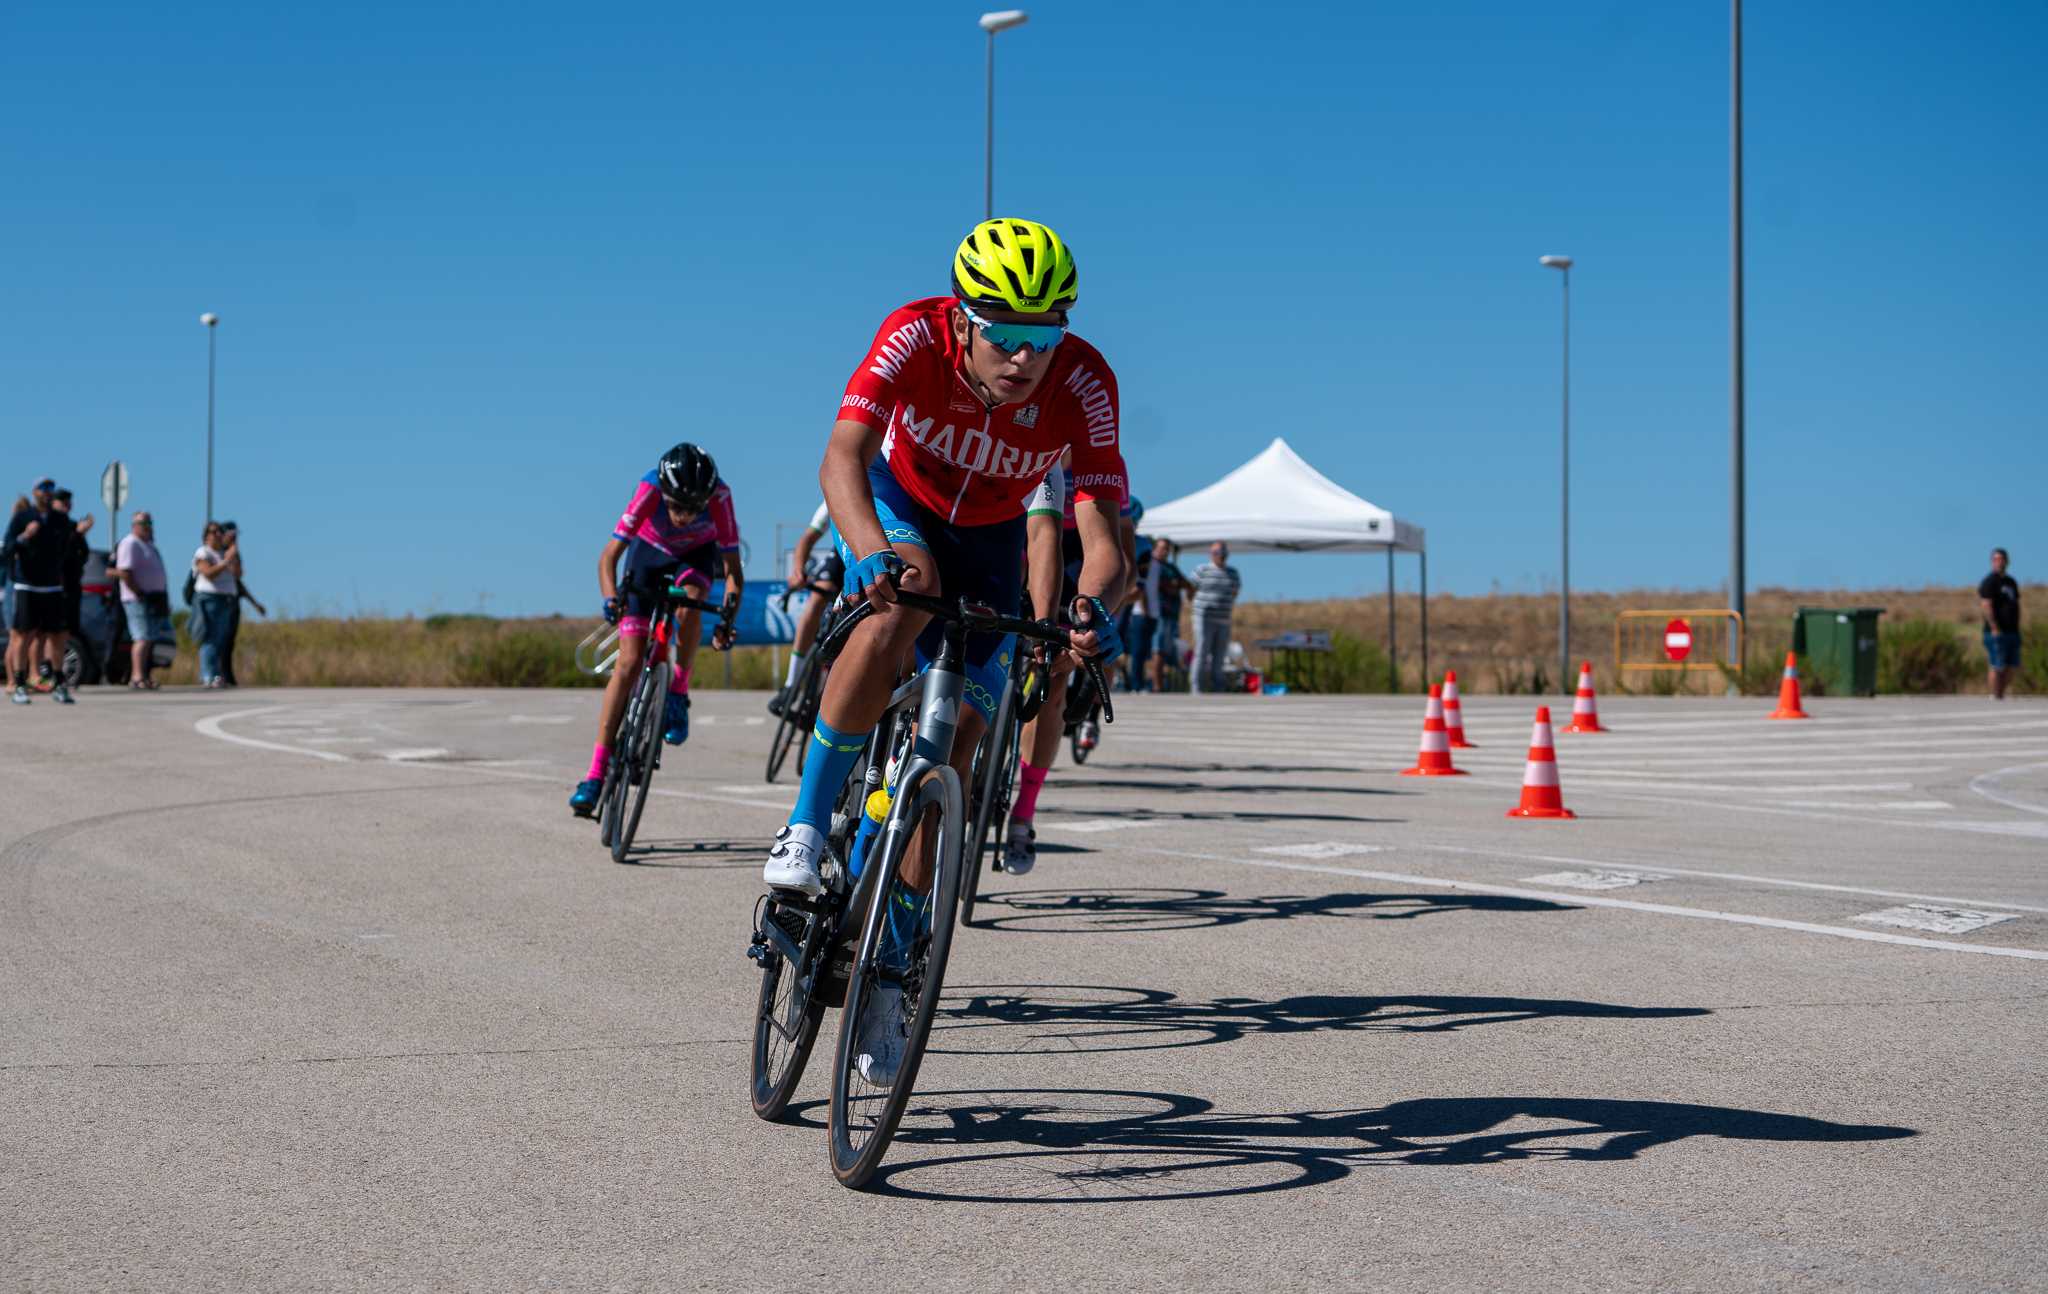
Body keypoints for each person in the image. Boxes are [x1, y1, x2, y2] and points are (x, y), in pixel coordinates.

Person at [761, 217, 1129, 1086]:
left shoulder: (1085, 384)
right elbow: (843, 456)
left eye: (1045, 337)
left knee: (957, 743)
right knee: (901, 604)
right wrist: (863, 550)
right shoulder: (911, 334)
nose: (1024, 357)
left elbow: (1103, 537)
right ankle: (807, 826)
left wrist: (1092, 605)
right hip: (903, 507)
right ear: (963, 319)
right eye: (1004, 334)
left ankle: (890, 976)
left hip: (993, 540)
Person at [568, 443, 742, 816]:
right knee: (629, 663)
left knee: (691, 603)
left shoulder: (721, 497)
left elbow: (732, 572)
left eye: (694, 508)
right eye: (676, 505)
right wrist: (611, 597)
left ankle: (678, 691)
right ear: (664, 492)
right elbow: (609, 556)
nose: (683, 516)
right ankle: (595, 773)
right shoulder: (649, 488)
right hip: (647, 554)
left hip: (695, 557)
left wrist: (727, 619)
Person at [769, 499, 845, 716]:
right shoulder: (839, 490)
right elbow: (808, 538)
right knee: (817, 597)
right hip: (843, 551)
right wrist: (798, 570)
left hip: (873, 550)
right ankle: (791, 683)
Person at [7, 479, 75, 704]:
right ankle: (19, 684)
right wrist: (24, 536)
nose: (47, 493)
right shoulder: (23, 517)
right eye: (43, 489)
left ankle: (58, 682)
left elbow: (66, 548)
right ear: (35, 492)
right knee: (22, 633)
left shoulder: (60, 520)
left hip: (52, 585)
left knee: (56, 635)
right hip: (27, 584)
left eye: (50, 490)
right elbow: (7, 547)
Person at [114, 510, 170, 689]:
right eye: (143, 523)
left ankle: (145, 675)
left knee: (150, 638)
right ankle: (136, 676)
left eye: (149, 523)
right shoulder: (130, 543)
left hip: (154, 598)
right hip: (137, 598)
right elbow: (125, 572)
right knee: (141, 637)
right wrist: (138, 592)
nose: (147, 527)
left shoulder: (149, 545)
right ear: (134, 526)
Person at [47, 489, 95, 690]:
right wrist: (77, 534)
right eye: (62, 501)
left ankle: (59, 673)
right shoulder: (50, 524)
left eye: (69, 501)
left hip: (73, 584)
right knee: (53, 631)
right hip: (55, 586)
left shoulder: (71, 524)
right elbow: (57, 550)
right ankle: (48, 671)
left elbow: (83, 553)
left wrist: (78, 535)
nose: (67, 504)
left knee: (68, 631)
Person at [214, 521, 267, 686]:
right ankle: (219, 674)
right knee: (220, 640)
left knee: (229, 640)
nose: (235, 538)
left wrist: (255, 603)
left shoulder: (234, 553)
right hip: (220, 602)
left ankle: (228, 676)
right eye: (232, 534)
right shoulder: (218, 553)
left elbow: (238, 581)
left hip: (232, 601)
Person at [189, 522, 241, 688]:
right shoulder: (203, 552)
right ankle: (208, 675)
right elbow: (208, 573)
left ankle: (216, 674)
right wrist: (226, 561)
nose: (218, 534)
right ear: (206, 536)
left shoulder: (223, 553)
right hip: (209, 598)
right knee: (209, 638)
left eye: (220, 531)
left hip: (226, 600)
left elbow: (238, 575)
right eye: (214, 532)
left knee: (220, 640)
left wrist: (233, 555)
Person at [1191, 540, 1242, 694]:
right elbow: (1190, 589)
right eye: (1216, 553)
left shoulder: (1232, 573)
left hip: (1223, 618)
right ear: (1211, 554)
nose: (1220, 556)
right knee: (1201, 651)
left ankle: (1218, 687)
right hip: (1203, 617)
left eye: (1223, 553)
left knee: (1220, 654)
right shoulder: (1201, 570)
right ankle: (1196, 687)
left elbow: (1235, 592)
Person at [1147, 537, 1194, 693]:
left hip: (1171, 614)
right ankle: (1156, 685)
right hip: (1158, 613)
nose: (1164, 552)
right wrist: (1173, 585)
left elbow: (1185, 583)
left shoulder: (1170, 567)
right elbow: (1161, 585)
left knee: (1165, 650)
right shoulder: (1152, 565)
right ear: (1155, 549)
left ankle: (1159, 684)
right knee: (1158, 649)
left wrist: (1177, 585)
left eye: (1167, 549)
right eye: (1161, 548)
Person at [1979, 547, 2022, 701]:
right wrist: (1994, 627)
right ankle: (1994, 695)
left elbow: (2016, 604)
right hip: (1996, 631)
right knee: (1997, 665)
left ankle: (2001, 693)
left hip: (2012, 631)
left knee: (2012, 665)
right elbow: (1986, 605)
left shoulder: (2011, 582)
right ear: (1992, 562)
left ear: (2007, 561)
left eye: (2001, 559)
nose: (1999, 562)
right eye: (1995, 559)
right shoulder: (1989, 582)